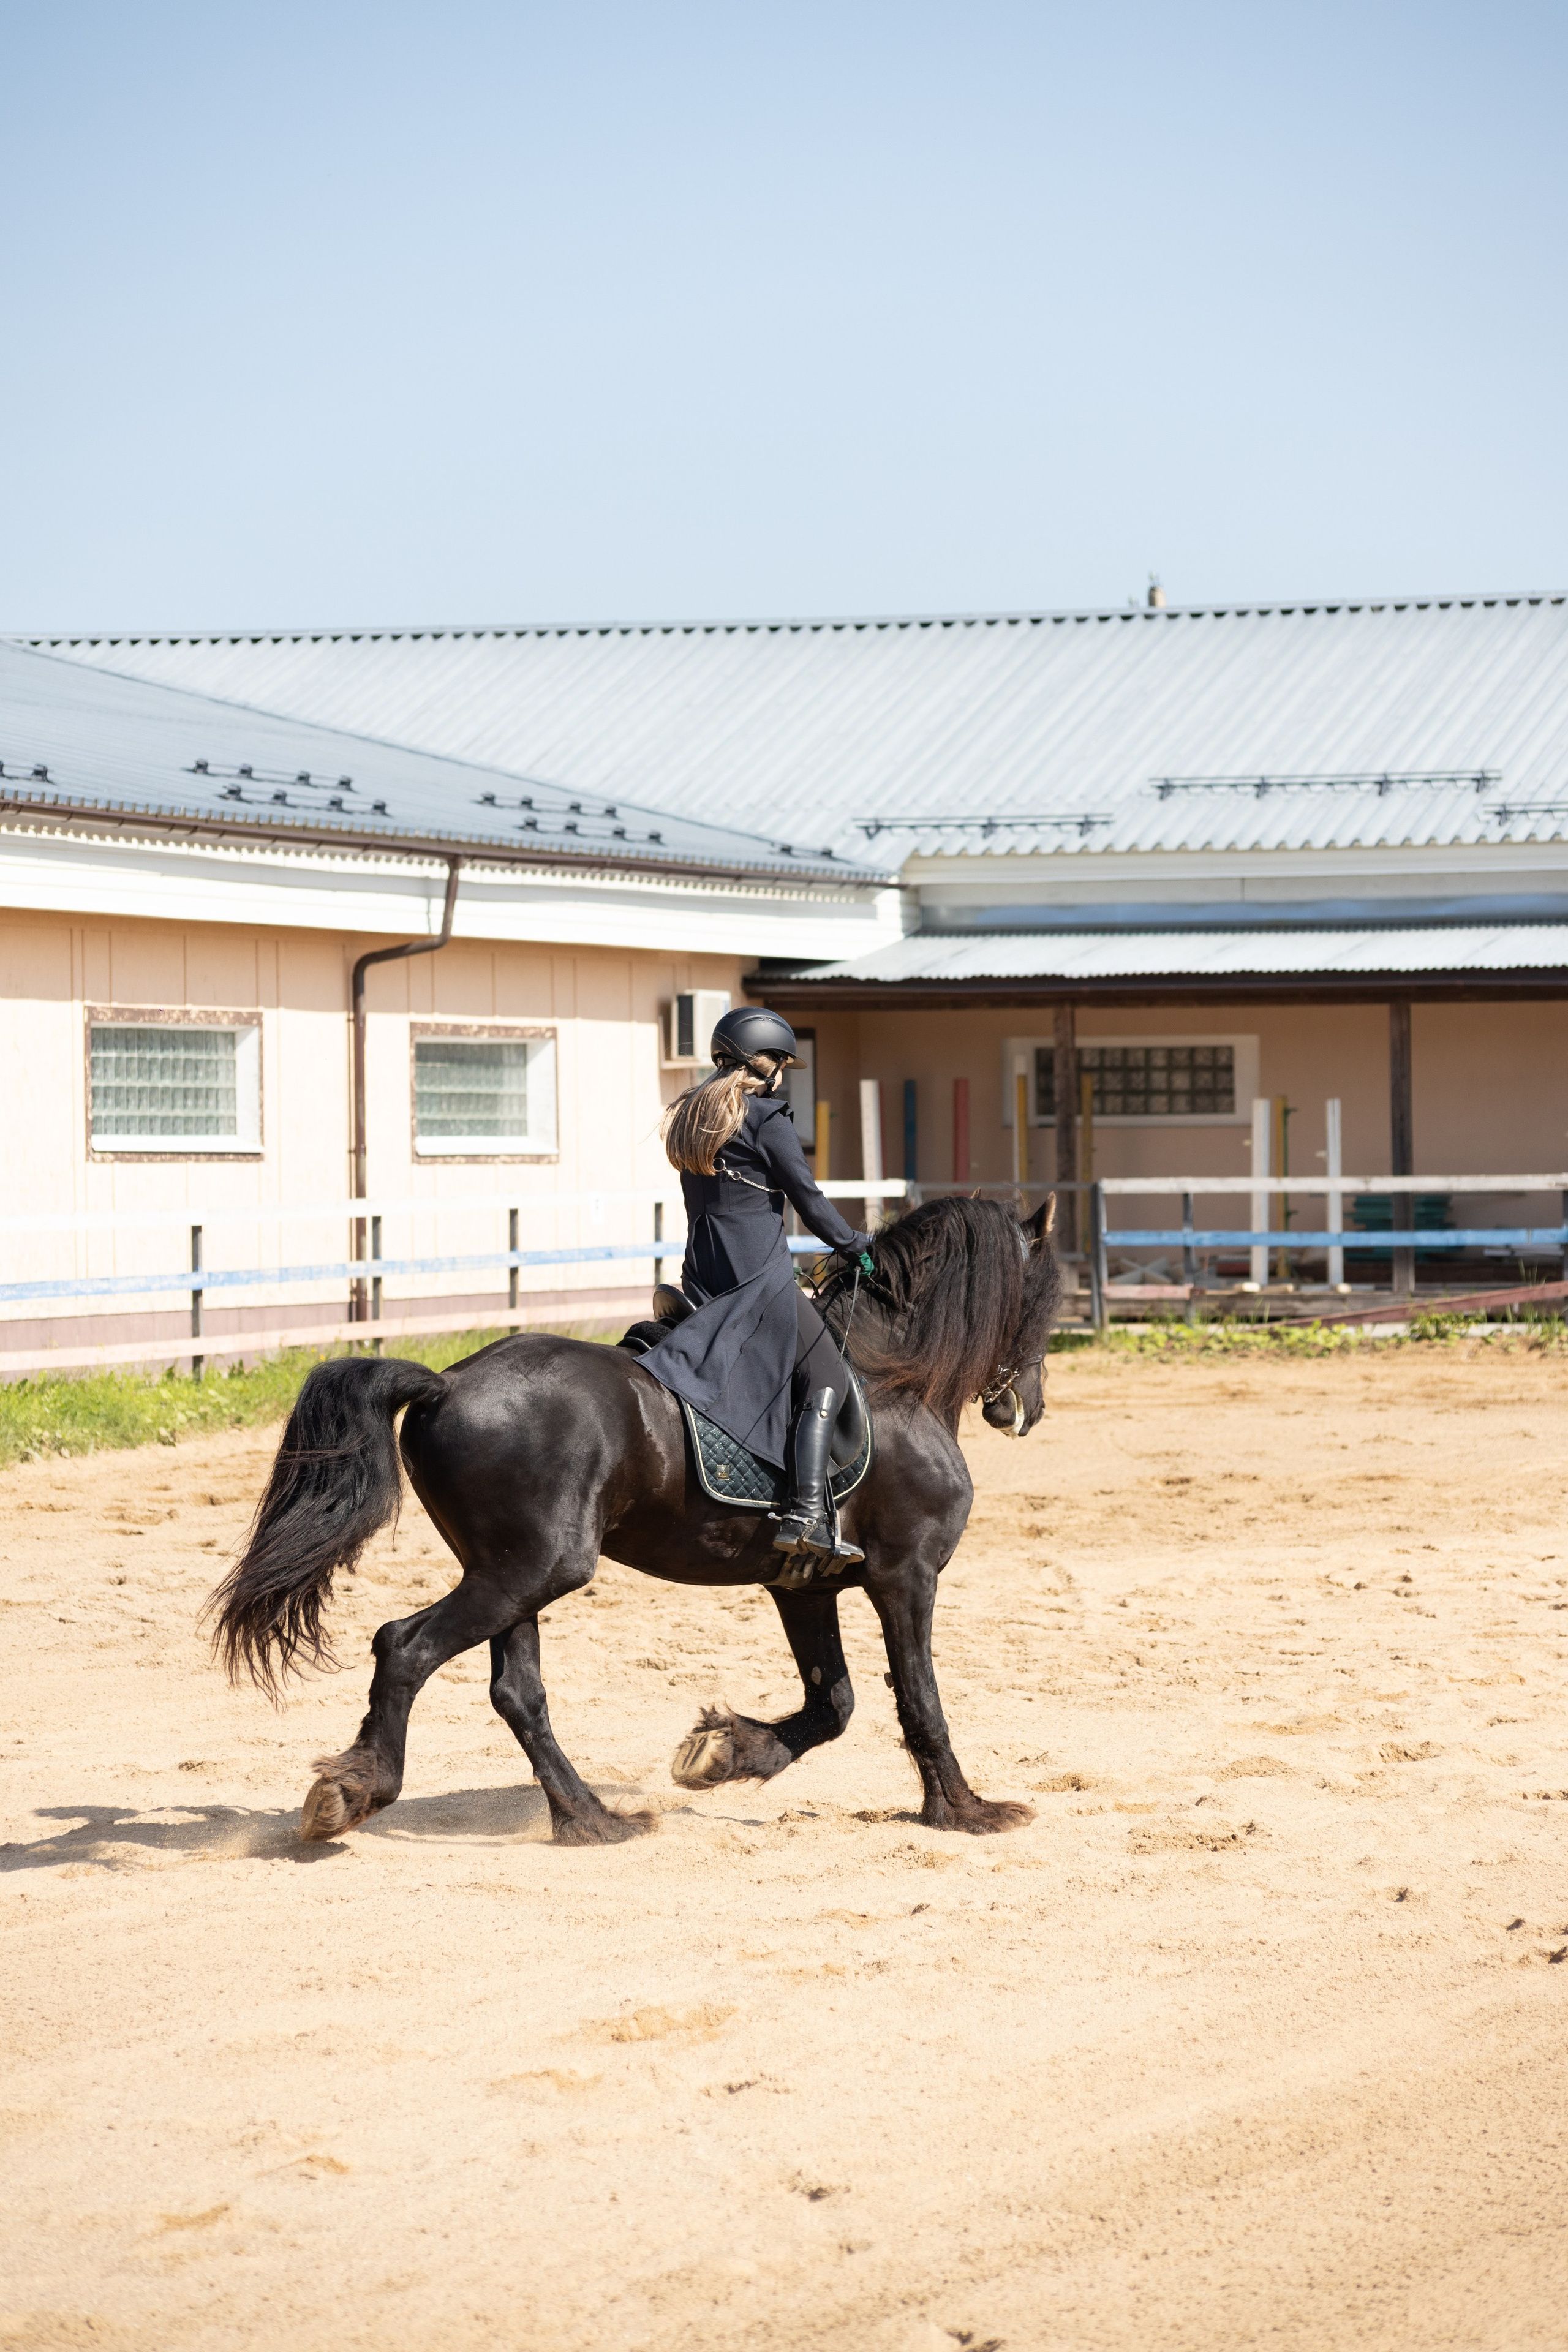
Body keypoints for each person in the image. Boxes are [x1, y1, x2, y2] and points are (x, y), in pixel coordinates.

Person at [637, 1006, 875, 1567]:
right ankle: (806, 1514)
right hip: (755, 1277)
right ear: (764, 1065)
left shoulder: (690, 1115)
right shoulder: (766, 1118)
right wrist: (855, 1246)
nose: (784, 1075)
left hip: (703, 1272)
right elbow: (808, 1199)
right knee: (826, 1376)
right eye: (782, 1063)